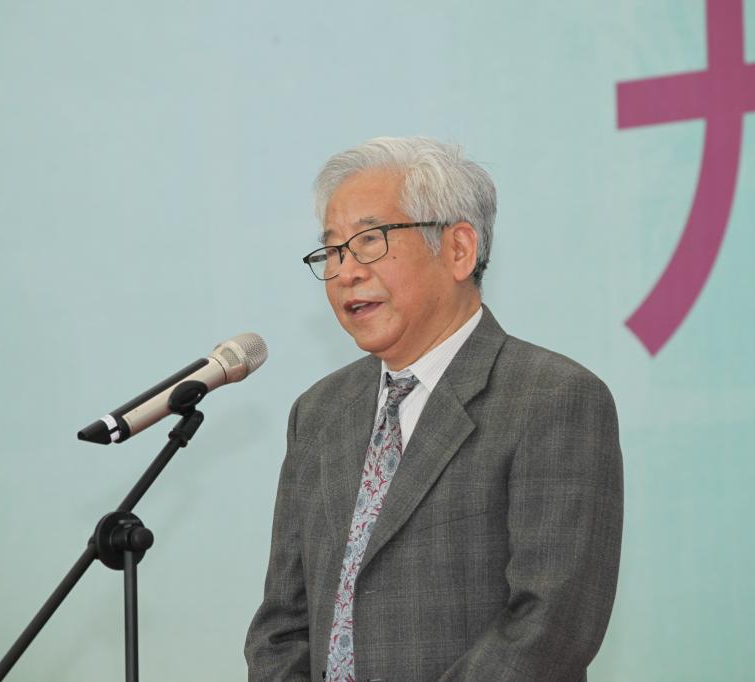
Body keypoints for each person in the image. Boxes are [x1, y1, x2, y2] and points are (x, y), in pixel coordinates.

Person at [245, 136, 623, 681]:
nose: (346, 272)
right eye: (333, 251)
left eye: (369, 241)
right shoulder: (319, 413)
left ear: (458, 250)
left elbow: (550, 624)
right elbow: (281, 625)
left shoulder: (553, 398)